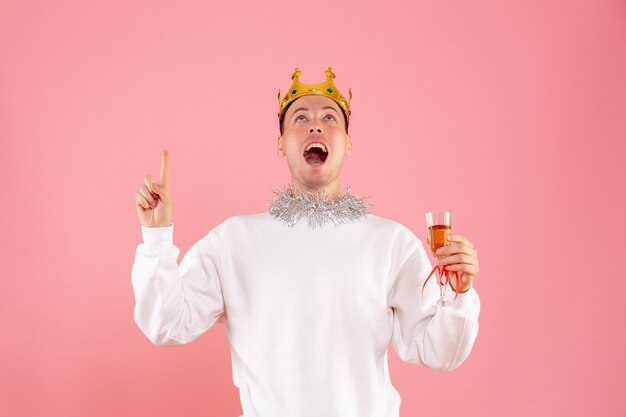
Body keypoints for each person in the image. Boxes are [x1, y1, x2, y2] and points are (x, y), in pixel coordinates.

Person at [132, 67, 481, 417]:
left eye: (330, 117)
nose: (316, 125)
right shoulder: (234, 241)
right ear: (281, 144)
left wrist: (459, 293)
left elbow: (439, 352)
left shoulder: (391, 243)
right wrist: (157, 236)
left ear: (348, 143)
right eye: (300, 118)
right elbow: (166, 323)